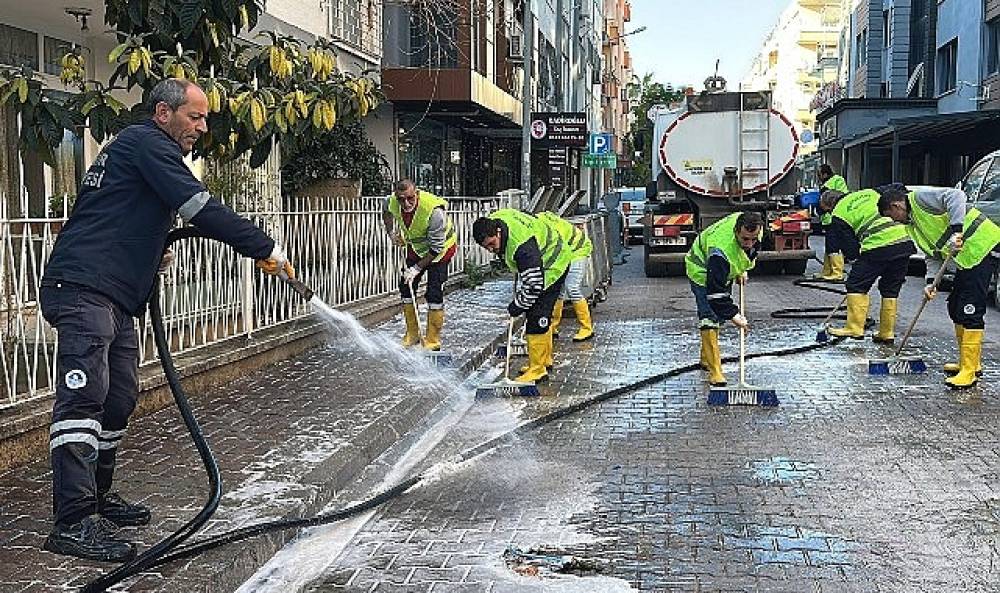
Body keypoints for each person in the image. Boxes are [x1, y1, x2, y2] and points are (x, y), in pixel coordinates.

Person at [39, 78, 293, 563]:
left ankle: (96, 497)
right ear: (163, 113)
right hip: (83, 289)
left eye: (205, 117)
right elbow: (197, 206)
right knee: (83, 400)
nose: (203, 126)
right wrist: (264, 248)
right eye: (195, 116)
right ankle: (72, 521)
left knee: (117, 399)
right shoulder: (147, 144)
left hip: (113, 294)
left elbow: (121, 212)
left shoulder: (141, 150)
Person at [879, 184, 1000, 388]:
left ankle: (969, 372)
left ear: (897, 205)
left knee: (969, 310)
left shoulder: (920, 199)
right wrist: (930, 282)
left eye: (891, 215)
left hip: (982, 245)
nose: (893, 221)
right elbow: (932, 254)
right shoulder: (913, 225)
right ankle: (968, 362)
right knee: (955, 307)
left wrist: (957, 231)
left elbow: (956, 196)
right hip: (968, 259)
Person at [472, 209, 572, 383]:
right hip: (542, 257)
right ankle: (544, 360)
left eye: (491, 244)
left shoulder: (522, 247)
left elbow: (534, 286)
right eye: (485, 247)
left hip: (553, 263)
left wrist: (517, 305)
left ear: (497, 231)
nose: (490, 249)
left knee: (536, 314)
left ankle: (537, 369)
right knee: (539, 313)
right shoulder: (498, 221)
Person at [825, 187, 915, 341]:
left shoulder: (838, 214)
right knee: (890, 289)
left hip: (877, 247)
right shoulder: (870, 192)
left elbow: (849, 247)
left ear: (831, 205)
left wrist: (856, 259)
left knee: (856, 284)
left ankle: (854, 328)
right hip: (904, 243)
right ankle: (886, 332)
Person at [684, 212, 763, 386]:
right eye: (745, 240)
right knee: (709, 317)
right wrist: (735, 316)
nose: (749, 244)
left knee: (718, 316)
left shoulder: (755, 228)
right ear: (736, 231)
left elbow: (748, 253)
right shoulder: (720, 252)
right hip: (701, 271)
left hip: (722, 270)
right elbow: (716, 294)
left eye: (753, 239)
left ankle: (706, 358)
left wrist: (743, 269)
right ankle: (716, 371)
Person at [381, 179, 457, 350]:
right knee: (406, 286)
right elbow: (386, 211)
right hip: (416, 249)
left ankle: (432, 340)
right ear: (396, 196)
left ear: (416, 193)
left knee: (434, 294)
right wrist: (391, 233)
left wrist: (416, 269)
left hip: (440, 252)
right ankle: (412, 334)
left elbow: (436, 248)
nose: (405, 203)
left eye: (410, 198)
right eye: (401, 199)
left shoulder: (434, 211)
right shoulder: (390, 201)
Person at [538, 212, 594, 342]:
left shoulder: (543, 229)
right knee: (558, 289)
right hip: (566, 251)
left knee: (571, 287)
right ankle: (552, 326)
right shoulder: (539, 223)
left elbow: (551, 253)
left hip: (577, 250)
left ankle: (587, 328)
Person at [815, 164, 850, 281]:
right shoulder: (826, 184)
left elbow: (841, 196)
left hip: (834, 219)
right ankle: (827, 271)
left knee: (834, 246)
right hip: (827, 220)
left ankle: (837, 272)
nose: (818, 177)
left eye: (819, 174)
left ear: (825, 174)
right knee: (829, 247)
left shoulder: (837, 180)